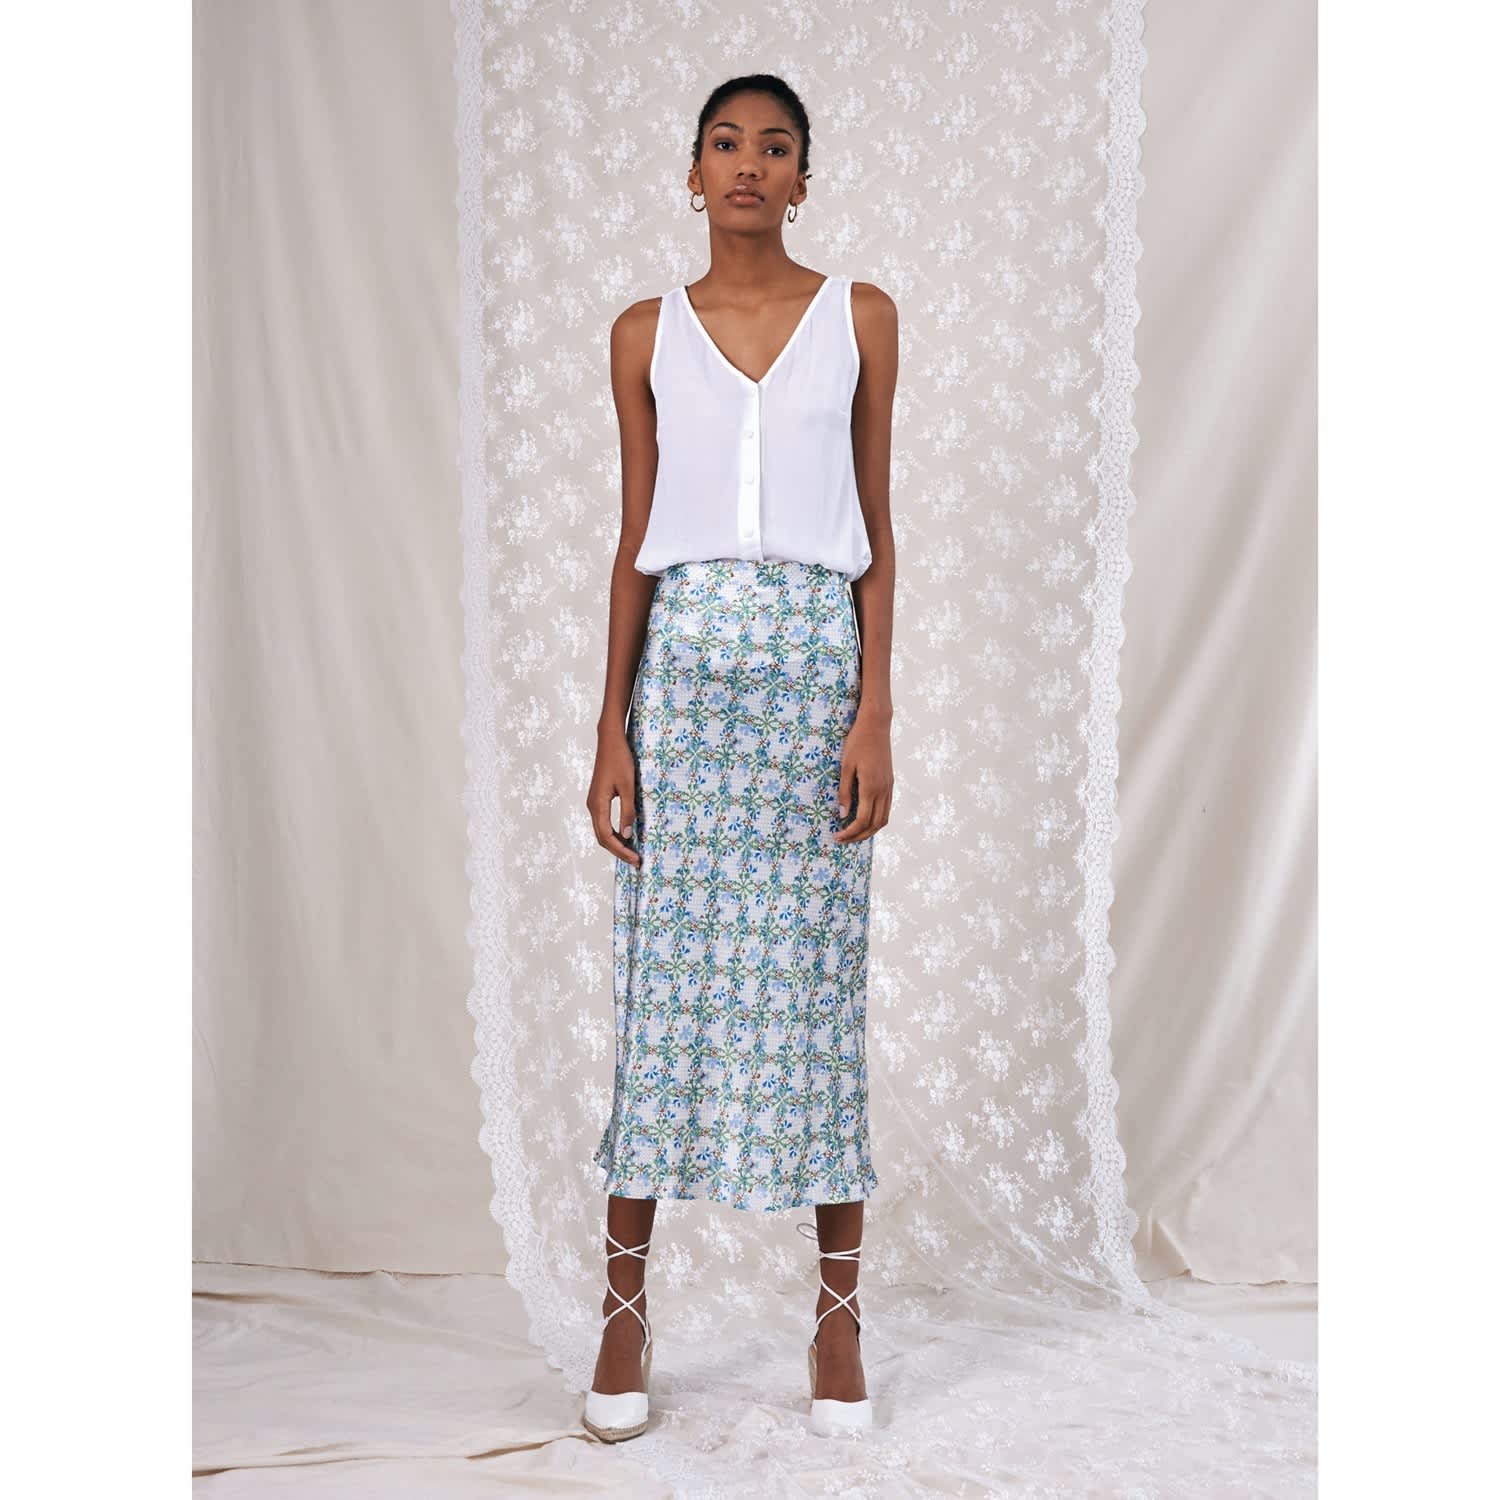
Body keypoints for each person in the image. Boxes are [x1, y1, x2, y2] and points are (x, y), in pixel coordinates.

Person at [583, 73, 898, 1444]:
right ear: (694, 172)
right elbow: (634, 534)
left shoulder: (860, 318)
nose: (750, 165)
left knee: (818, 988)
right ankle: (622, 1315)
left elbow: (875, 527)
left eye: (776, 146)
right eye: (727, 144)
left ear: (804, 178)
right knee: (664, 991)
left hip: (814, 677)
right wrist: (610, 723)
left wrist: (875, 709)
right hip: (686, 681)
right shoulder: (644, 331)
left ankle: (838, 1321)